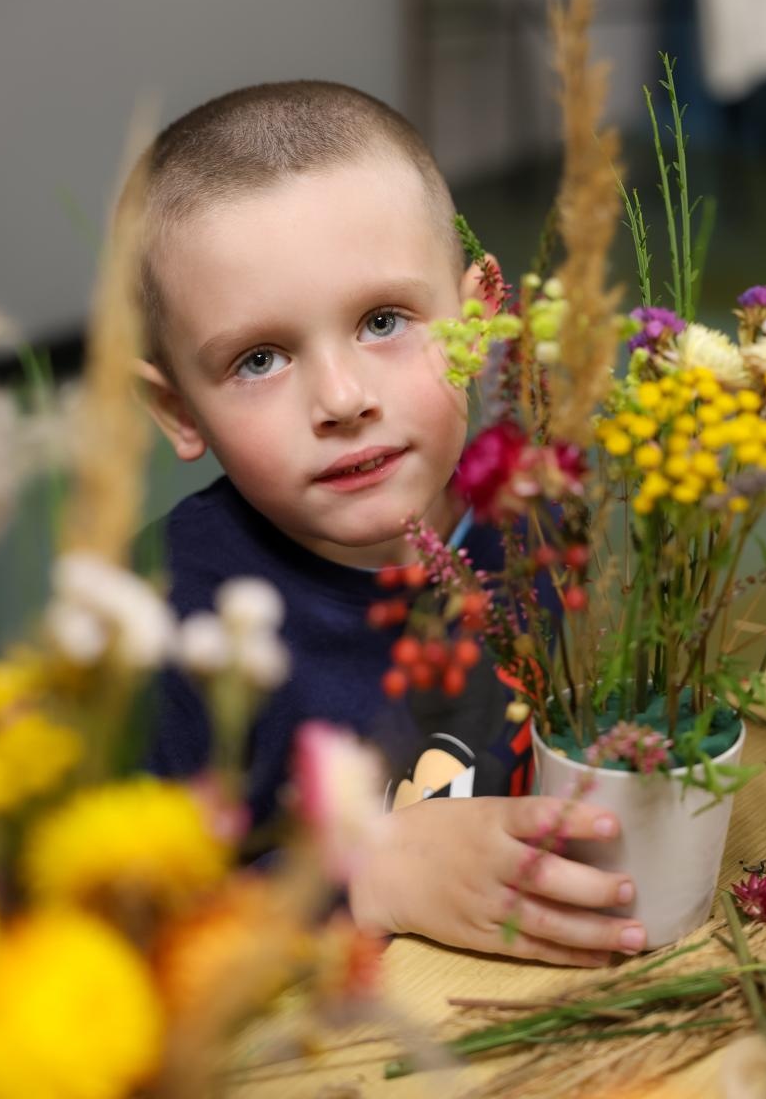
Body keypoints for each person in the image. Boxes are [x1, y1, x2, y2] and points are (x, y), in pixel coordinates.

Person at [132, 80, 647, 965]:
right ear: (179, 410)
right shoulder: (164, 621)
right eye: (258, 359)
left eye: (382, 321)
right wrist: (362, 876)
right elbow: (108, 924)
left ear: (477, 316)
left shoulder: (543, 511)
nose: (341, 400)